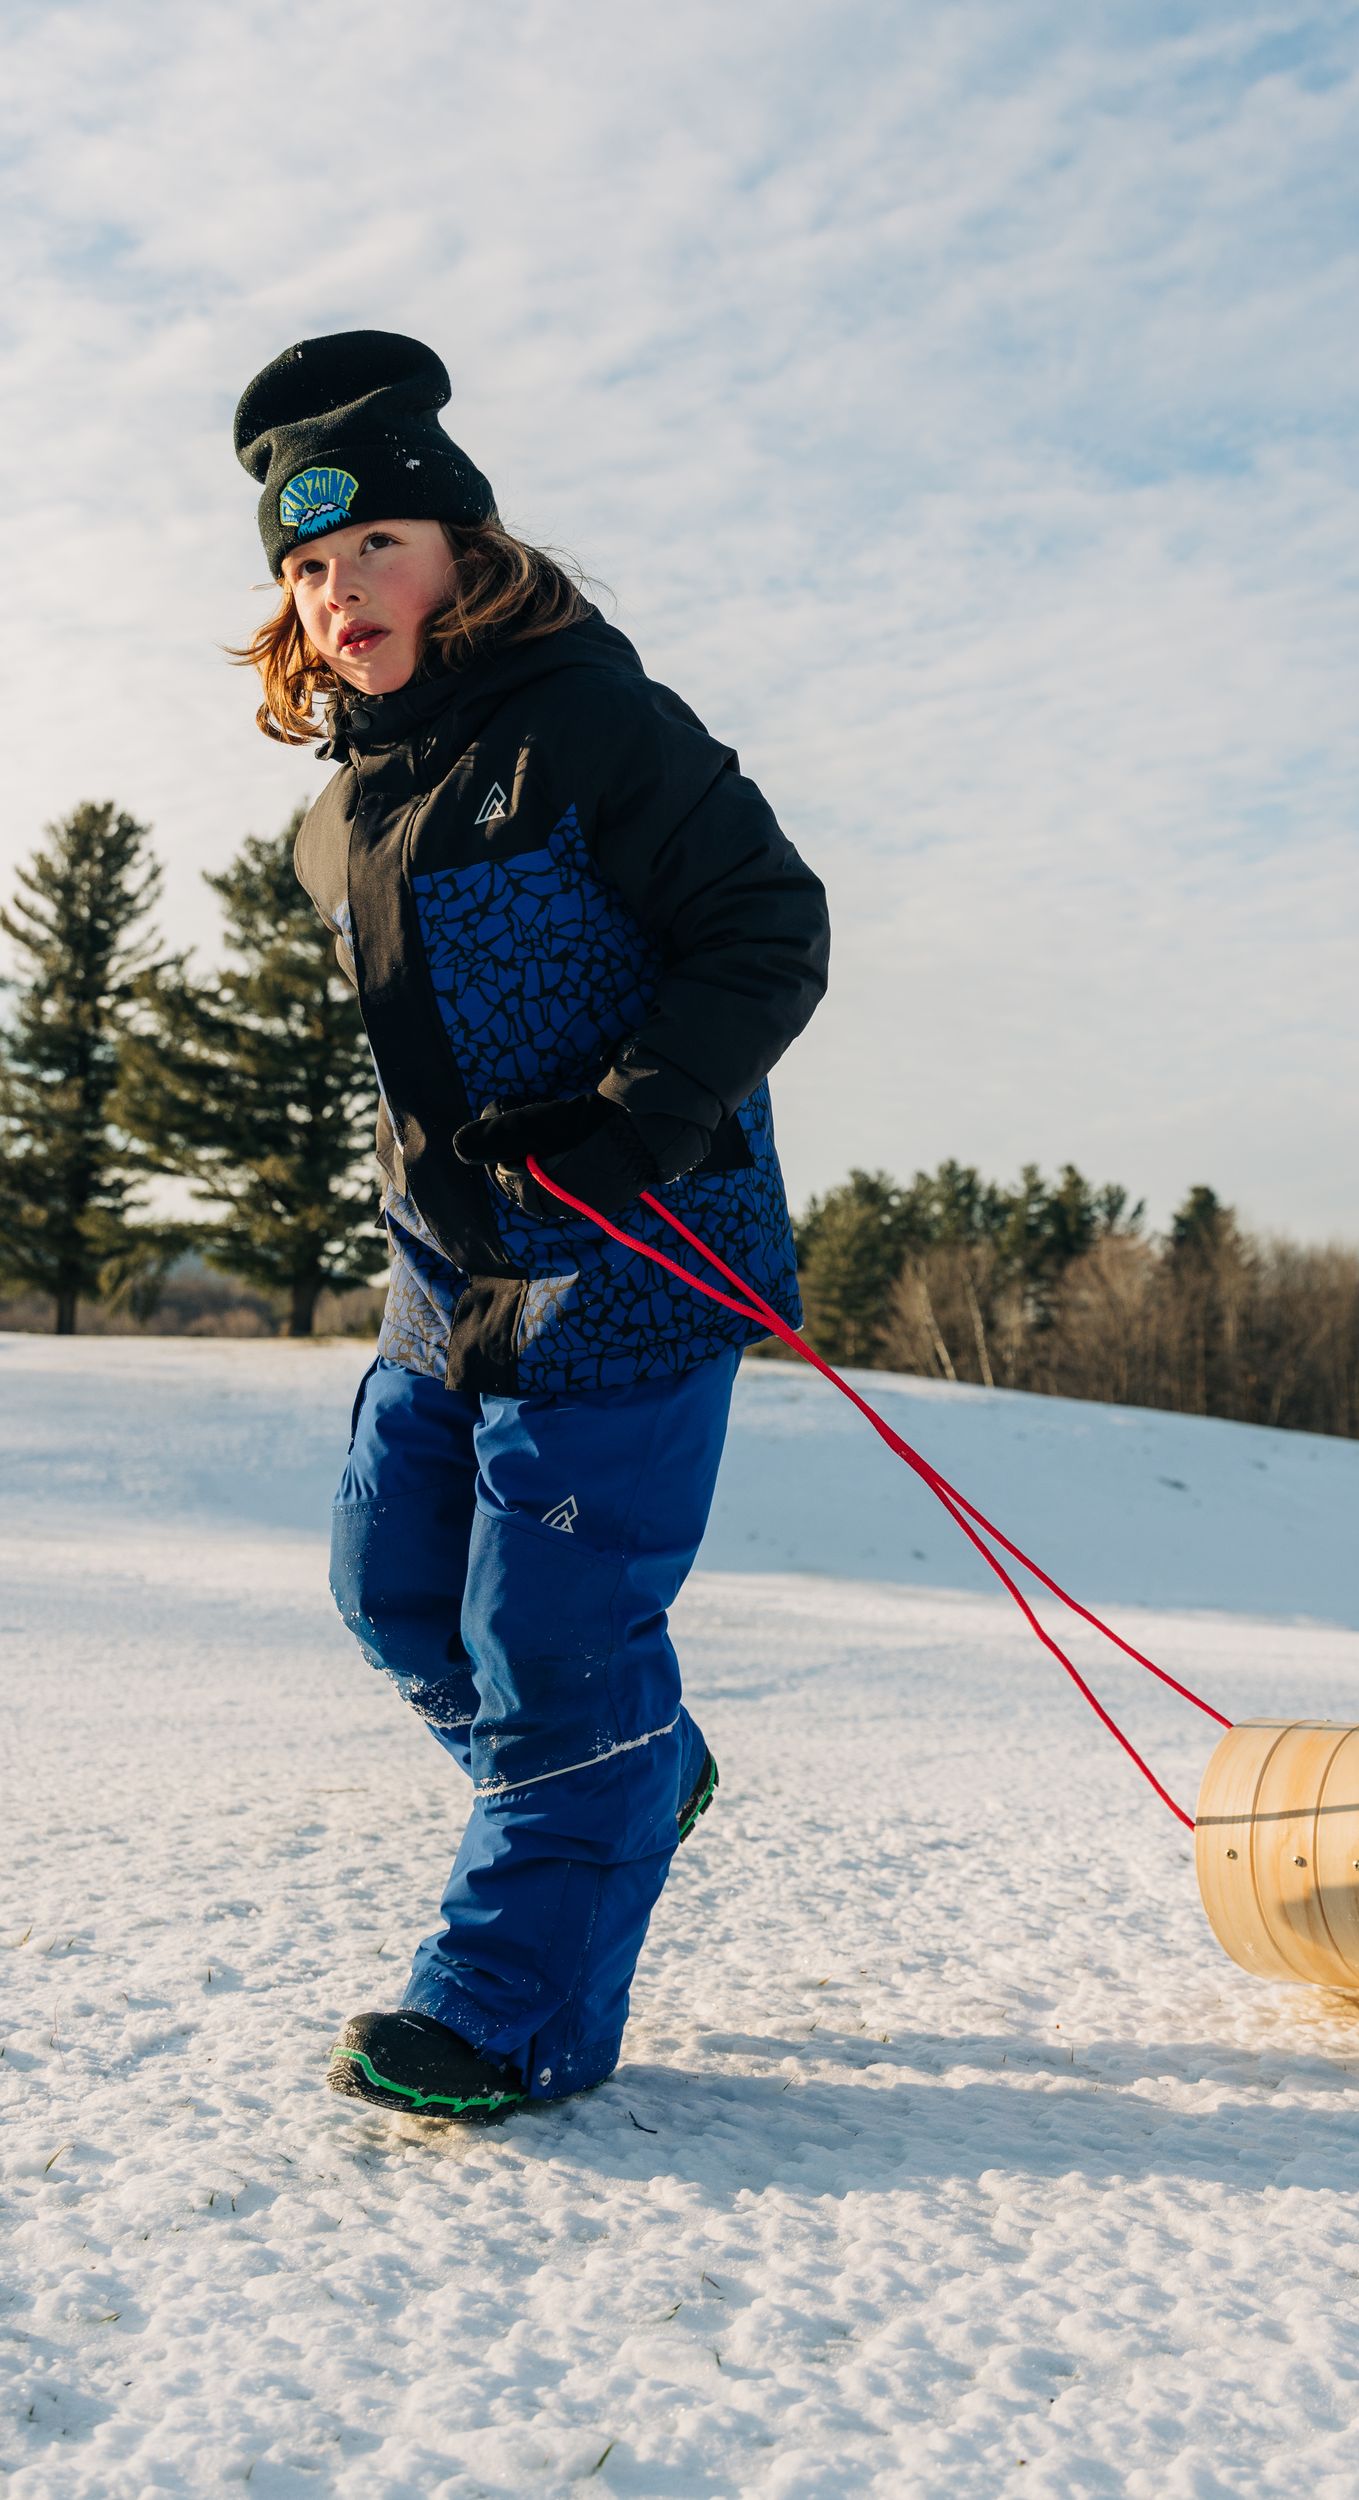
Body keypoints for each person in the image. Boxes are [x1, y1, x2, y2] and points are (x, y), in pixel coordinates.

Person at [231, 330, 829, 2120]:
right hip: (448, 1275)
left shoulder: (592, 727)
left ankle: (509, 2013)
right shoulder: (340, 818)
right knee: (392, 1591)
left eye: (379, 546)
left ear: (468, 553)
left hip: (637, 1262)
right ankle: (639, 1772)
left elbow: (770, 926)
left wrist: (638, 1122)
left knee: (553, 1649)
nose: (343, 590)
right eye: (309, 567)